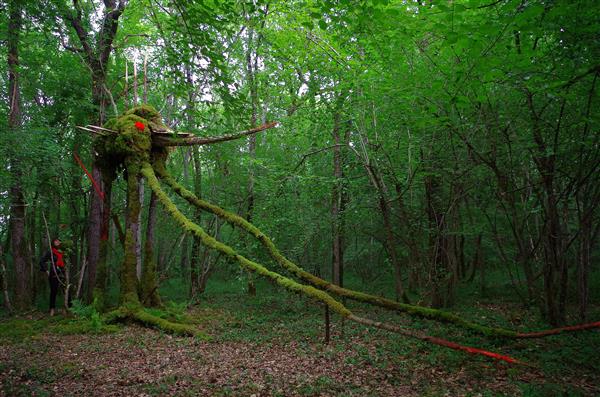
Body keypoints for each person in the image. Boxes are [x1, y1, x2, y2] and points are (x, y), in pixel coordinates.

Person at [39, 238, 66, 316]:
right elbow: (41, 261)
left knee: (66, 291)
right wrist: (46, 270)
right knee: (53, 292)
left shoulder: (64, 252)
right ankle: (52, 309)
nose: (57, 242)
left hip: (62, 273)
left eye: (59, 240)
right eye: (55, 241)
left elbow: (65, 262)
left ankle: (66, 308)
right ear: (53, 243)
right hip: (53, 273)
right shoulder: (50, 252)